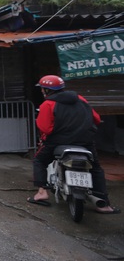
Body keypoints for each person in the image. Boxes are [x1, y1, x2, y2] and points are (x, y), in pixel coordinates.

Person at [27, 75, 120, 214]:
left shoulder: (48, 104)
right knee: (96, 169)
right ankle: (103, 204)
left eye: (42, 89)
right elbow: (96, 118)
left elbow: (46, 128)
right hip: (84, 142)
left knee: (39, 160)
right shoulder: (80, 99)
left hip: (58, 143)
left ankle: (42, 192)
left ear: (46, 90)